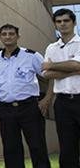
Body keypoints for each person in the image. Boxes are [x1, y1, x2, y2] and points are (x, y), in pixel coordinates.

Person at [0, 24, 49, 168]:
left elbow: (50, 75)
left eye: (11, 34)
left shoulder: (31, 56)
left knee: (37, 146)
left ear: (18, 36)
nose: (8, 36)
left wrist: (47, 99)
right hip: (5, 110)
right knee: (11, 149)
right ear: (0, 37)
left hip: (29, 107)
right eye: (4, 34)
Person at [42, 9, 80, 167]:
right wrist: (72, 71)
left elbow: (76, 64)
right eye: (59, 22)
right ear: (55, 25)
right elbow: (45, 73)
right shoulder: (52, 48)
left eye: (66, 21)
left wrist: (53, 66)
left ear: (74, 22)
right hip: (63, 102)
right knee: (67, 146)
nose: (62, 24)